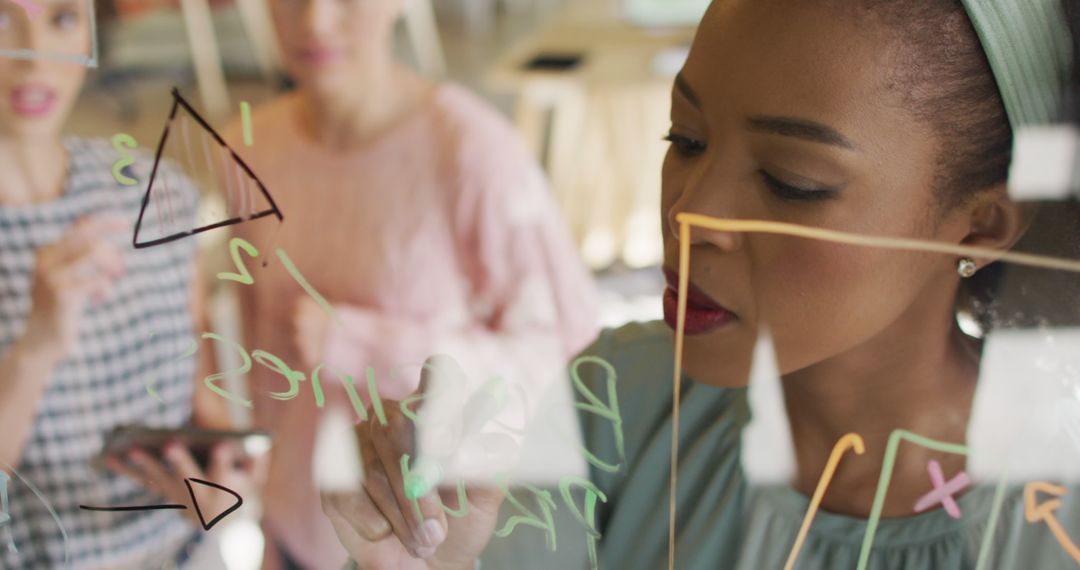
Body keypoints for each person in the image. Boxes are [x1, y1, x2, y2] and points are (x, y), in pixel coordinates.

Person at [322, 0, 1080, 568]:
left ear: (978, 227)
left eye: (793, 182)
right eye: (685, 139)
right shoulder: (618, 401)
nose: (692, 213)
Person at [222, 0, 599, 567]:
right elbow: (257, 352)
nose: (316, 21)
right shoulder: (248, 148)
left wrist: (367, 345)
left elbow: (568, 352)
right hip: (292, 525)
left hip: (417, 544)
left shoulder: (471, 149)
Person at [0, 1, 252, 567]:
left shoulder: (152, 190)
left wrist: (216, 474)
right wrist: (36, 348)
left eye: (61, 18)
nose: (33, 56)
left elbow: (199, 392)